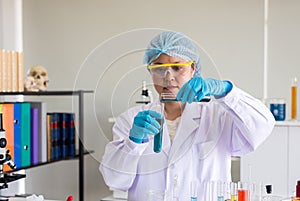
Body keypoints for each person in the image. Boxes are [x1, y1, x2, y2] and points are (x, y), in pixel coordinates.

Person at [99, 31, 275, 201]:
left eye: (177, 67)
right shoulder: (131, 120)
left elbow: (263, 124)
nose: (168, 77)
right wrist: (133, 143)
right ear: (150, 72)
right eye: (159, 69)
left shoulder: (217, 117)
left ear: (193, 69)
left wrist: (226, 91)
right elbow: (115, 180)